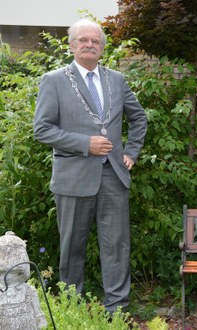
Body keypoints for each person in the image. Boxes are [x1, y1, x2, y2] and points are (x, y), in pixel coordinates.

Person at [33, 19, 147, 314]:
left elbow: (139, 119)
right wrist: (86, 143)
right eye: (83, 40)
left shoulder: (117, 80)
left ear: (102, 48)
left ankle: (117, 311)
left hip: (113, 176)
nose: (89, 45)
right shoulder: (54, 80)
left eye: (95, 41)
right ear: (72, 45)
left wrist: (131, 152)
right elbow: (42, 130)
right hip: (73, 178)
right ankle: (71, 309)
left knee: (117, 247)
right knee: (72, 247)